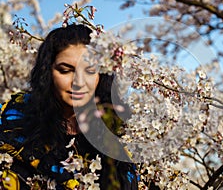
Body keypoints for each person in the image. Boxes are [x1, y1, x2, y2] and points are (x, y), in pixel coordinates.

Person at [0, 24, 139, 189]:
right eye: (66, 71)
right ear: (47, 73)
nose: (78, 82)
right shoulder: (12, 120)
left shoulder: (119, 135)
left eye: (89, 71)